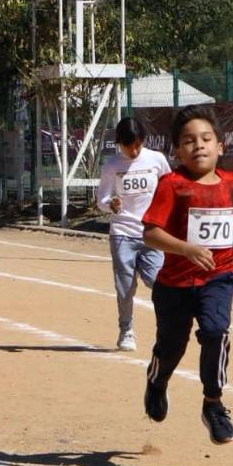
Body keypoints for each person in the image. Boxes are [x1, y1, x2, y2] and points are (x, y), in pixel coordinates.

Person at [141, 105, 233, 445]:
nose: (198, 145)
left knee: (216, 331)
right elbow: (151, 234)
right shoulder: (172, 185)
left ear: (220, 146)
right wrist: (186, 249)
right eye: (188, 141)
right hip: (175, 285)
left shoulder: (232, 183)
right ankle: (157, 382)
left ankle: (213, 404)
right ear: (177, 151)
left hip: (219, 277)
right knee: (171, 347)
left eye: (205, 138)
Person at [96, 117, 171, 351]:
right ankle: (126, 331)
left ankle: (167, 328)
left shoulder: (157, 160)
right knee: (126, 288)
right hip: (122, 233)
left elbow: (169, 188)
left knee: (158, 281)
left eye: (138, 144)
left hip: (152, 233)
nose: (134, 151)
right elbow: (101, 200)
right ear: (119, 143)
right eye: (129, 146)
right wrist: (111, 204)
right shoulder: (112, 166)